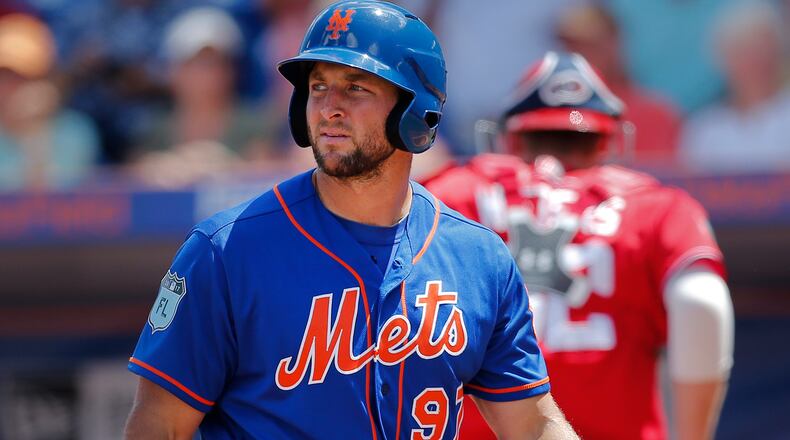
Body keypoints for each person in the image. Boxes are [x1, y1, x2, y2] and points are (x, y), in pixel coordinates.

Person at [124, 2, 578, 439]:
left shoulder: (477, 257)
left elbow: (532, 424)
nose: (329, 107)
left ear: (415, 109)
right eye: (318, 87)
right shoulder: (226, 250)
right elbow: (160, 427)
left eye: (356, 87)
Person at [423, 51, 734, 440]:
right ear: (608, 140)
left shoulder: (450, 193)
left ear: (512, 135)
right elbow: (701, 303)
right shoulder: (657, 206)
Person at [679, 0, 790, 174]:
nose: (756, 61)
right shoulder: (705, 129)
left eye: (763, 49)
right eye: (744, 51)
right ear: (724, 59)